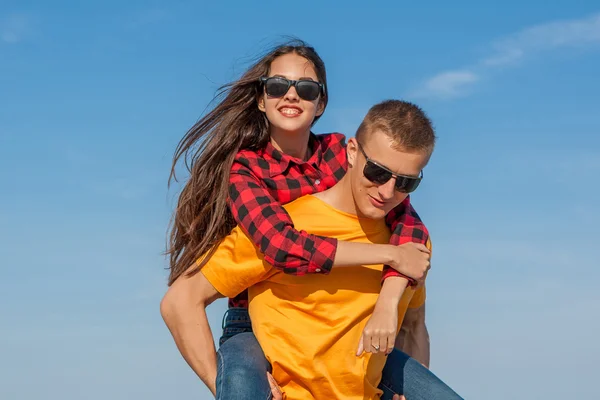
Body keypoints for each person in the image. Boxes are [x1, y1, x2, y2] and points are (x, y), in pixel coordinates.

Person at [162, 40, 435, 398]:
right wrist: (390, 256)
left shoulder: (340, 153)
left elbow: (408, 226)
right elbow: (281, 245)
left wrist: (389, 296)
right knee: (242, 387)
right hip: (257, 320)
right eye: (278, 86)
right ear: (261, 98)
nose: (291, 95)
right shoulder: (247, 169)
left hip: (344, 330)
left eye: (305, 89)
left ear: (321, 103)